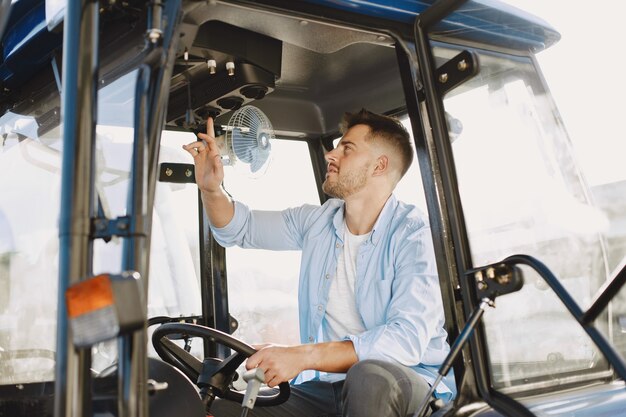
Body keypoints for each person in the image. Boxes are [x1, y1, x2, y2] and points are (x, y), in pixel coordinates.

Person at [183, 109, 456, 417]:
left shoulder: (414, 235)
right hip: (327, 388)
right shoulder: (317, 222)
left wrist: (302, 356)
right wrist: (210, 188)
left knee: (368, 377)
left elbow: (406, 340)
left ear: (379, 166)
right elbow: (238, 228)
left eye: (346, 148)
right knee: (223, 410)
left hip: (409, 387)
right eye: (336, 146)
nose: (330, 154)